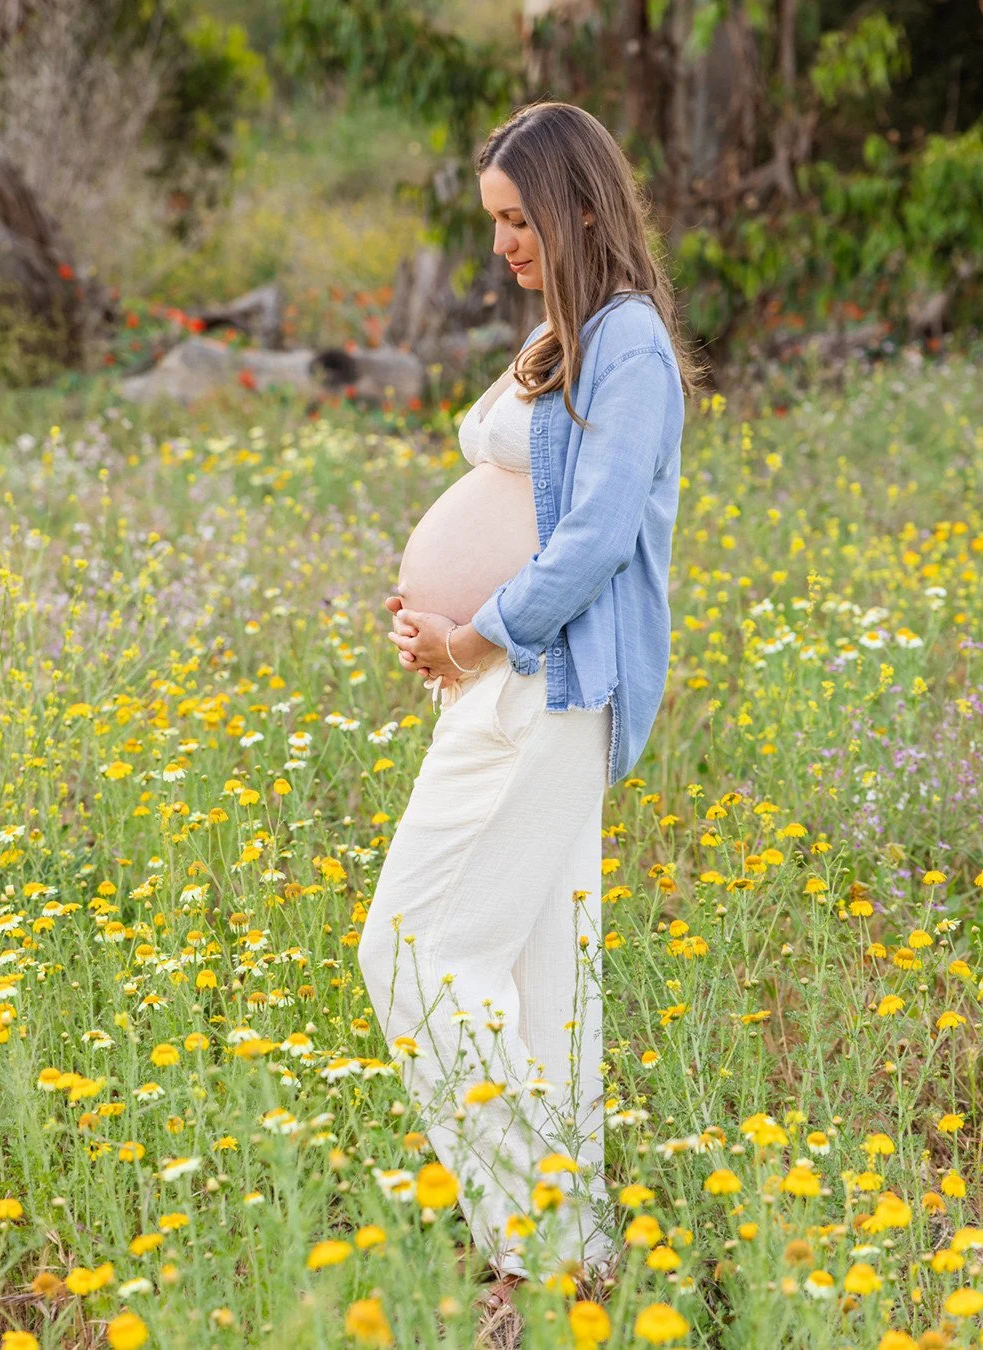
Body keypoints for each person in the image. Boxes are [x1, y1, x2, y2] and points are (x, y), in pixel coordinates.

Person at [357, 99, 701, 1332]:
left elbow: (601, 536)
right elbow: (514, 489)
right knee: (533, 979)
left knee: (411, 952)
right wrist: (438, 629)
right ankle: (562, 1249)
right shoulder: (565, 334)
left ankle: (539, 1237)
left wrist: (477, 627)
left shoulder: (631, 348)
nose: (502, 241)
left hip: (550, 681)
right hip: (495, 681)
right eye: (495, 220)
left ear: (582, 204)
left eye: (519, 218)